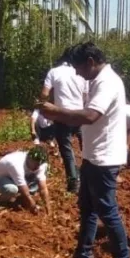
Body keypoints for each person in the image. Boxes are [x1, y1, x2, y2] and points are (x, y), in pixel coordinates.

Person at [40, 42, 130, 258]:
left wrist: (56, 113)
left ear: (90, 62)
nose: (77, 73)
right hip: (93, 156)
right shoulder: (96, 81)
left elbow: (91, 116)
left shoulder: (107, 82)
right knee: (88, 209)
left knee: (107, 210)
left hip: (105, 158)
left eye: (78, 67)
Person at [41, 51, 86, 193]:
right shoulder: (80, 72)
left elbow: (44, 93)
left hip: (62, 116)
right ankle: (88, 177)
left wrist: (43, 106)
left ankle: (73, 183)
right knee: (86, 147)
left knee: (67, 149)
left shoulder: (54, 72)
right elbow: (86, 96)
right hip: (80, 115)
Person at [0, 147, 52, 213]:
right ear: (28, 158)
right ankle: (1, 204)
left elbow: (43, 188)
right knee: (12, 189)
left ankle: (22, 200)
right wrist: (32, 205)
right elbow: (23, 188)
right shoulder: (16, 163)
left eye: (40, 164)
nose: (37, 166)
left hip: (16, 179)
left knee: (38, 180)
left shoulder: (41, 164)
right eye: (35, 163)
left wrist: (48, 208)